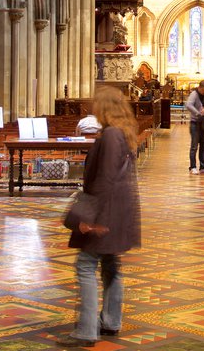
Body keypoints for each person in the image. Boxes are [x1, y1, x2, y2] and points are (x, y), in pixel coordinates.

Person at [57, 87, 141, 349]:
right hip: (119, 212)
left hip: (106, 213)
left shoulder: (111, 136)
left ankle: (86, 329)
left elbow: (104, 180)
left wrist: (93, 219)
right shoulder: (124, 133)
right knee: (110, 265)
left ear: (103, 107)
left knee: (85, 265)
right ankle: (111, 321)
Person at [186, 80, 204, 174]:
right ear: (199, 87)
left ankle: (203, 167)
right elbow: (188, 105)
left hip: (203, 123)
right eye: (203, 90)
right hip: (195, 123)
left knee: (203, 146)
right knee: (194, 146)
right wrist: (197, 112)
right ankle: (192, 167)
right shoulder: (194, 94)